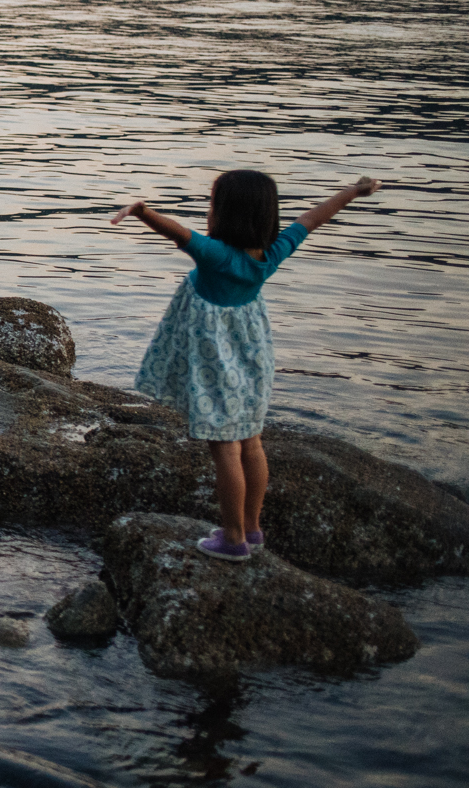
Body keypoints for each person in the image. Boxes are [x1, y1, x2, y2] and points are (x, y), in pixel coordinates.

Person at [112, 170, 382, 562]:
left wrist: (141, 211)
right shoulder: (273, 253)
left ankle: (233, 537)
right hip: (253, 358)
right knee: (251, 442)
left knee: (224, 447)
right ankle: (253, 529)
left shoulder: (215, 255)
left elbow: (177, 233)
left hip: (216, 364)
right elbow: (314, 217)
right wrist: (354, 192)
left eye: (212, 203)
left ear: (224, 213)